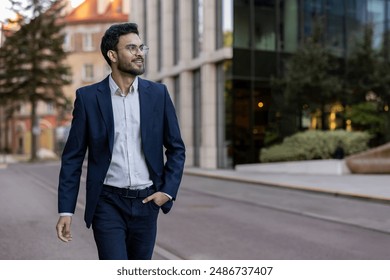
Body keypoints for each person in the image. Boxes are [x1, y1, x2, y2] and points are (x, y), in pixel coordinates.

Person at [55, 22, 186, 260]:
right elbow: (72, 158)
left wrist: (167, 192)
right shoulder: (88, 99)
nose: (139, 53)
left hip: (147, 202)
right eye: (131, 48)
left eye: (141, 47)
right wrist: (66, 210)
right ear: (112, 55)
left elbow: (176, 148)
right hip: (107, 204)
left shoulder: (158, 94)